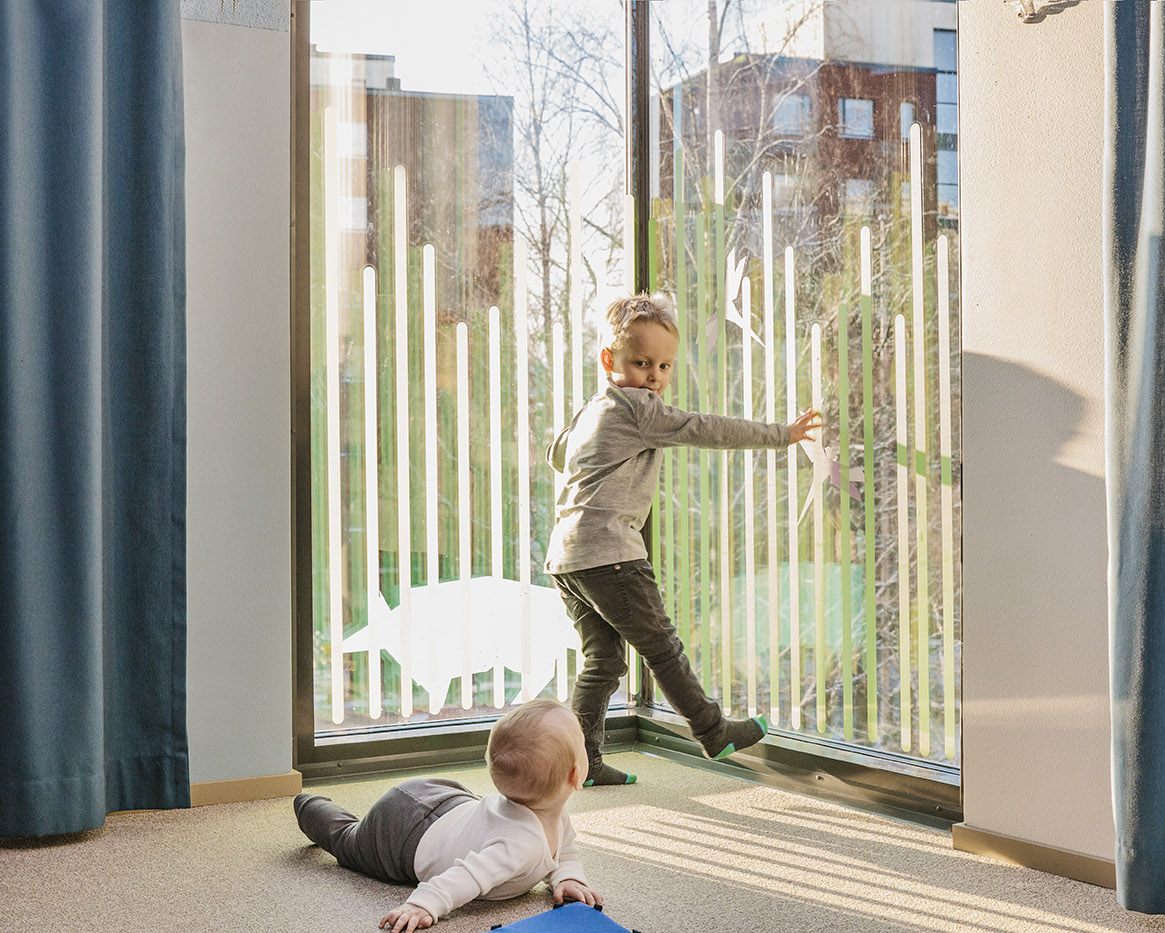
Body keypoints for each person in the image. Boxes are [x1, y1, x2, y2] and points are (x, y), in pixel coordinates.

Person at [546, 292, 821, 786]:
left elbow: (556, 454)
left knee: (603, 661)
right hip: (610, 553)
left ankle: (580, 764)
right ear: (610, 360)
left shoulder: (593, 408)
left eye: (664, 366)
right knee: (662, 648)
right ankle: (713, 730)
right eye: (642, 363)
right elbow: (705, 428)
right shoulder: (639, 408)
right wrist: (781, 434)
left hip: (567, 557)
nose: (655, 376)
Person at [293, 698, 601, 933]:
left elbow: (564, 852)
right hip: (402, 835)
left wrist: (568, 877)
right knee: (348, 841)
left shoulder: (555, 815)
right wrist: (423, 905)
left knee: (475, 813)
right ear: (576, 775)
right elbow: (466, 876)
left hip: (444, 797)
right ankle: (307, 804)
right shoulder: (519, 845)